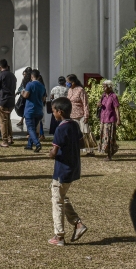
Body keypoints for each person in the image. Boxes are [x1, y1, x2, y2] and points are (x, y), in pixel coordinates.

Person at [48, 97, 86, 246]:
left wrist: (50, 153)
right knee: (61, 196)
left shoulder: (60, 129)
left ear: (60, 112)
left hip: (61, 170)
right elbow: (81, 143)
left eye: (53, 111)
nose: (53, 114)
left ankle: (59, 236)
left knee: (57, 201)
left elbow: (54, 152)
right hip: (73, 168)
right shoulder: (74, 125)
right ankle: (77, 223)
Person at [0, 59, 17, 147]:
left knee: (2, 121)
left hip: (2, 100)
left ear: (0, 67)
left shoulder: (0, 75)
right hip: (11, 100)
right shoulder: (12, 75)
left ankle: (4, 141)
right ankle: (10, 138)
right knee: (8, 119)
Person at [66, 74, 94, 156]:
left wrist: (86, 115)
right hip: (72, 115)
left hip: (81, 115)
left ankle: (90, 150)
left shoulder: (80, 90)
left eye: (68, 81)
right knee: (74, 133)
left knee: (85, 132)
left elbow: (85, 103)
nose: (67, 83)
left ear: (73, 82)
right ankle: (76, 149)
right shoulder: (70, 90)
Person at [20, 69, 47, 152]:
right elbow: (43, 99)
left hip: (30, 109)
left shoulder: (30, 84)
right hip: (39, 110)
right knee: (33, 128)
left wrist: (22, 92)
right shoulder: (42, 86)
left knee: (30, 128)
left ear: (31, 76)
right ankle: (29, 144)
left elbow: (26, 95)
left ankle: (37, 144)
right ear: (38, 77)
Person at [97, 80, 120, 160]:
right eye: (103, 86)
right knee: (104, 137)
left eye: (105, 86)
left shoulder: (113, 96)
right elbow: (100, 105)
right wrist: (98, 105)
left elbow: (116, 108)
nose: (103, 88)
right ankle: (108, 152)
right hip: (103, 119)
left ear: (110, 87)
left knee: (109, 138)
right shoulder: (103, 96)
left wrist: (118, 119)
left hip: (110, 119)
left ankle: (109, 154)